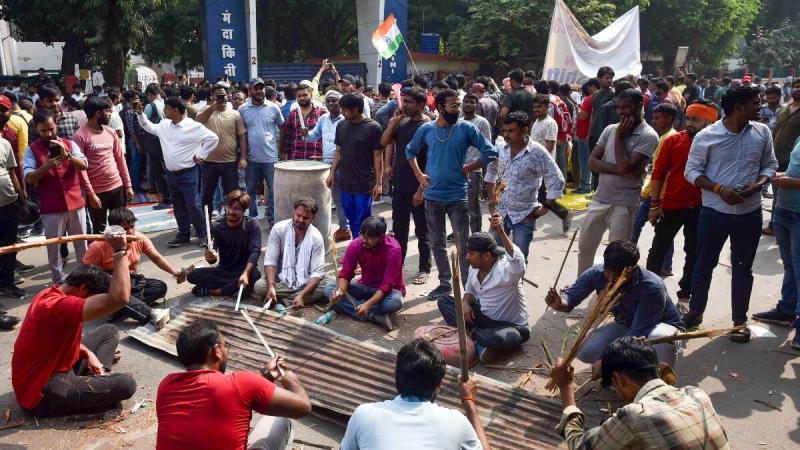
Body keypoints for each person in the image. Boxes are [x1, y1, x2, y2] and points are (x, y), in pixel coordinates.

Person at [683, 86, 778, 342]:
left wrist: (758, 184)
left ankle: (739, 322)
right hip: (714, 212)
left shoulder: (762, 132)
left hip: (750, 212)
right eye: (755, 103)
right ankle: (695, 312)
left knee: (743, 268)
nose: (759, 106)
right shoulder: (707, 136)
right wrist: (719, 189)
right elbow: (691, 172)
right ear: (738, 107)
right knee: (704, 264)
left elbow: (770, 165)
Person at [12, 233, 137, 417]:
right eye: (95, 298)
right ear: (83, 290)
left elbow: (54, 341)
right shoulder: (59, 306)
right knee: (126, 384)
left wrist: (89, 354)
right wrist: (119, 250)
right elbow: (119, 299)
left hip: (56, 364)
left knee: (109, 331)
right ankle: (97, 388)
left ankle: (98, 375)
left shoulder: (50, 293)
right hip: (42, 390)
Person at [549, 336, 729, 450]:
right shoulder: (696, 394)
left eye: (614, 385)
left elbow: (579, 446)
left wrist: (566, 387)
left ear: (619, 380)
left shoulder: (635, 416)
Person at [156, 319, 311, 450]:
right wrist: (288, 377)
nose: (226, 351)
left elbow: (238, 389)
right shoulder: (240, 384)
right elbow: (304, 407)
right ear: (216, 351)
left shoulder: (166, 386)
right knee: (280, 421)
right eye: (225, 346)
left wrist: (267, 374)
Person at [406, 88, 498, 300]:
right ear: (440, 107)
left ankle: (468, 288)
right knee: (437, 243)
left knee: (463, 245)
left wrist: (469, 168)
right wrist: (419, 174)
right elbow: (410, 151)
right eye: (453, 105)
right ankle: (445, 283)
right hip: (432, 197)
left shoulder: (466, 128)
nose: (458, 109)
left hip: (457, 197)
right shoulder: (426, 129)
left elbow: (490, 152)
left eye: (458, 105)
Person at [546, 240, 685, 368]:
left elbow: (638, 334)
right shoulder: (596, 273)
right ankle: (621, 371)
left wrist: (606, 361)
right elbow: (570, 299)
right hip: (626, 323)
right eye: (608, 273)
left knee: (660, 340)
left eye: (618, 275)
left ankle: (658, 379)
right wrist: (560, 303)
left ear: (633, 269)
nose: (611, 280)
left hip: (659, 326)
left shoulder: (652, 287)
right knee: (586, 349)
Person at [341, 338, 490, 450]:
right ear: (438, 385)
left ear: (395, 375)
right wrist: (468, 400)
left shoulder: (363, 414)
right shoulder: (456, 422)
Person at [577, 89, 659, 276]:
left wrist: (620, 137)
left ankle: (611, 292)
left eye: (626, 107)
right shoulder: (610, 129)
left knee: (617, 259)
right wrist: (621, 170)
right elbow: (592, 162)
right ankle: (582, 286)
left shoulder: (648, 135)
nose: (621, 112)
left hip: (624, 204)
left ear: (640, 106)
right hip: (600, 199)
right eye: (619, 107)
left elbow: (625, 166)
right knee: (585, 249)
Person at [647, 102, 716, 312]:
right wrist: (654, 205)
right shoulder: (674, 141)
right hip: (671, 205)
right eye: (689, 118)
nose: (690, 123)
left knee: (694, 253)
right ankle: (648, 291)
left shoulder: (718, 144)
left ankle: (685, 295)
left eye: (696, 119)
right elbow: (658, 173)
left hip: (702, 208)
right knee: (658, 250)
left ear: (709, 122)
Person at [438, 215, 529, 364]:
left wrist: (501, 232)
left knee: (498, 338)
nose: (467, 257)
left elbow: (518, 260)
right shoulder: (474, 268)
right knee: (444, 302)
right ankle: (479, 340)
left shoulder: (507, 271)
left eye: (471, 253)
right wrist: (465, 303)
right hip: (483, 318)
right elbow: (470, 293)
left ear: (486, 256)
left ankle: (473, 336)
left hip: (510, 327)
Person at [137, 96, 219, 248]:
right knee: (178, 205)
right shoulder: (164, 125)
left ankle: (203, 234)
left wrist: (201, 155)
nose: (164, 110)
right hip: (171, 173)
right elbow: (148, 127)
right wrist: (140, 114)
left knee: (193, 205)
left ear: (175, 110)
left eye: (166, 108)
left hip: (189, 173)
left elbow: (213, 138)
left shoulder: (193, 126)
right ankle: (183, 233)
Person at [485, 112, 565, 262]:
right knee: (493, 255)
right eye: (504, 130)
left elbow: (556, 180)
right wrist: (492, 204)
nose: (506, 135)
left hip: (525, 214)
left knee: (519, 259)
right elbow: (490, 174)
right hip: (500, 213)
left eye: (511, 131)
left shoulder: (538, 152)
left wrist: (544, 209)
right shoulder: (500, 149)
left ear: (525, 130)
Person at [83, 207, 180, 329]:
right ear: (114, 230)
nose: (130, 232)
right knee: (119, 295)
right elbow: (86, 274)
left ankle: (120, 307)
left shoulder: (139, 238)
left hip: (130, 280)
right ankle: (149, 313)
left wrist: (175, 272)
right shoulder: (97, 246)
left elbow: (156, 257)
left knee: (160, 287)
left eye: (132, 227)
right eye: (124, 229)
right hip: (108, 286)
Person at [23, 109, 89, 283]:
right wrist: (47, 166)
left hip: (75, 202)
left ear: (56, 126)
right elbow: (29, 178)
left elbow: (84, 165)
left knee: (81, 242)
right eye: (44, 130)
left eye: (51, 129)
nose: (48, 134)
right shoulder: (31, 150)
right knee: (53, 245)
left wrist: (69, 157)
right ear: (36, 129)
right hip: (51, 206)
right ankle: (58, 278)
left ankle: (84, 275)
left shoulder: (69, 144)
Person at [381, 88, 432, 285]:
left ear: (421, 104)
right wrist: (394, 122)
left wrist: (421, 190)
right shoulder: (401, 122)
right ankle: (397, 265)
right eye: (404, 101)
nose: (405, 106)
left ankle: (424, 268)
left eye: (409, 102)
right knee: (399, 229)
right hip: (400, 184)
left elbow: (431, 161)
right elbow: (384, 141)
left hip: (419, 186)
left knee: (422, 230)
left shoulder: (428, 126)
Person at [753, 137, 800, 349]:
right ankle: (787, 310)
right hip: (784, 210)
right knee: (790, 266)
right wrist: (781, 176)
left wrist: (791, 182)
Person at [324, 216, 404, 331]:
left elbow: (386, 286)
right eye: (362, 235)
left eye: (369, 237)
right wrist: (340, 292)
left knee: (396, 301)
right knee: (329, 288)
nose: (364, 240)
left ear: (381, 237)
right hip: (364, 286)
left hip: (387, 292)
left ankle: (345, 307)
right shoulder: (356, 244)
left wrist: (368, 305)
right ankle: (372, 316)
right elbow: (346, 273)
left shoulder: (394, 249)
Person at [72, 96, 133, 234]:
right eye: (107, 111)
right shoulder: (80, 136)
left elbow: (120, 160)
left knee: (121, 227)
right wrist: (91, 194)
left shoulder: (111, 132)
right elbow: (80, 169)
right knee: (100, 230)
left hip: (117, 188)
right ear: (98, 113)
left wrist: (128, 185)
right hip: (97, 192)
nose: (110, 114)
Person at [630, 102, 678, 276]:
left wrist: (645, 193)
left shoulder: (666, 139)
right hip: (664, 192)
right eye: (653, 117)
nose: (654, 121)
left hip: (657, 193)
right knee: (664, 232)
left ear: (669, 118)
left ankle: (627, 258)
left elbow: (658, 172)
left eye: (658, 118)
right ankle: (666, 265)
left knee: (636, 224)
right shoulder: (670, 136)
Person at [253, 198, 327, 309]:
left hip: (306, 280)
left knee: (328, 285)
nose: (301, 220)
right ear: (293, 212)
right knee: (259, 286)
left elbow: (317, 272)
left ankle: (285, 301)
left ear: (313, 219)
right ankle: (291, 298)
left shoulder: (316, 237)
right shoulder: (279, 229)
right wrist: (272, 286)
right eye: (298, 215)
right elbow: (270, 261)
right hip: (282, 279)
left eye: (306, 218)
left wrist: (302, 295)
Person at [326, 93, 383, 237]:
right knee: (351, 217)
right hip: (345, 181)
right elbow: (338, 152)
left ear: (356, 109)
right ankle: (356, 245)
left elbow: (378, 156)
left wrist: (379, 183)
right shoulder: (341, 125)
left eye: (345, 109)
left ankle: (363, 246)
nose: (342, 112)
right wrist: (332, 173)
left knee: (363, 219)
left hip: (364, 183)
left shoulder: (373, 128)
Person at [187, 190, 261, 297]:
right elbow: (212, 260)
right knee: (192, 275)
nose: (231, 212)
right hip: (223, 271)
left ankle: (215, 291)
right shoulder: (216, 226)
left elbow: (255, 251)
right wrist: (210, 257)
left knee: (255, 276)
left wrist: (245, 274)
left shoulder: (252, 224)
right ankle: (234, 289)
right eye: (228, 207)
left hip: (244, 271)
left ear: (244, 211)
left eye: (236, 209)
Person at [195, 84, 248, 224]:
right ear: (212, 97)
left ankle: (231, 222)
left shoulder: (235, 114)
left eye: (223, 95)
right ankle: (206, 225)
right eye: (217, 95)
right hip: (209, 162)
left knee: (232, 196)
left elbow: (242, 137)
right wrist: (212, 107)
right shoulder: (205, 111)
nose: (221, 98)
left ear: (228, 96)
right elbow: (197, 123)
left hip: (230, 162)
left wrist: (243, 157)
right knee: (207, 195)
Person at [304, 90, 350, 241]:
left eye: (334, 100)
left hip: (345, 165)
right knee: (336, 198)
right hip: (327, 164)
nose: (331, 103)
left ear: (340, 103)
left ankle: (348, 227)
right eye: (328, 101)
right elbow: (314, 135)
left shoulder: (346, 120)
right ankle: (344, 228)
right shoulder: (323, 118)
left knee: (345, 197)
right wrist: (306, 134)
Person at [239, 78, 284, 224]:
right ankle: (252, 220)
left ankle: (272, 221)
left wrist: (279, 149)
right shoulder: (242, 109)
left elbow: (282, 127)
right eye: (256, 88)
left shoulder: (273, 108)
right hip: (251, 159)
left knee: (273, 191)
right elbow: (241, 134)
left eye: (261, 88)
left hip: (271, 158)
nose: (259, 91)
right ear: (250, 91)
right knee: (250, 191)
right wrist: (243, 156)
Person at [764, 79, 800, 235]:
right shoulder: (785, 109)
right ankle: (776, 226)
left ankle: (777, 226)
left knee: (787, 194)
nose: (798, 90)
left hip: (793, 161)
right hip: (777, 158)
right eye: (796, 87)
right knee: (778, 193)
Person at [0, 109, 25, 305]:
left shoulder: (5, 144)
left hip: (9, 203)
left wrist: (21, 197)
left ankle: (7, 283)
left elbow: (12, 172)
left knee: (9, 247)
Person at [462, 93, 492, 234]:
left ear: (477, 105)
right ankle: (460, 230)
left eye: (472, 102)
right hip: (458, 169)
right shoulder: (458, 121)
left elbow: (488, 148)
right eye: (466, 101)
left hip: (474, 169)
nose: (468, 104)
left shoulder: (482, 122)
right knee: (459, 204)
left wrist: (487, 173)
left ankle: (476, 234)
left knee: (472, 204)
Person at [140, 84, 172, 209]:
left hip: (155, 142)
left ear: (150, 94)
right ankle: (170, 196)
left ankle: (167, 199)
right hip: (168, 140)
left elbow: (144, 123)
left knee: (159, 170)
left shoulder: (150, 106)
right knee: (166, 169)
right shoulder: (167, 103)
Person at [281, 84, 325, 160]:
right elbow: (288, 139)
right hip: (296, 159)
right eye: (299, 96)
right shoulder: (292, 115)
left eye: (305, 95)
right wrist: (286, 158)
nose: (301, 98)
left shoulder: (322, 113)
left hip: (316, 158)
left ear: (311, 95)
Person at [574, 79, 599, 194]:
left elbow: (583, 116)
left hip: (585, 134)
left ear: (592, 87)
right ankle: (591, 185)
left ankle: (585, 185)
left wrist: (578, 111)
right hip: (594, 134)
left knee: (584, 160)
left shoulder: (590, 98)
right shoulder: (600, 98)